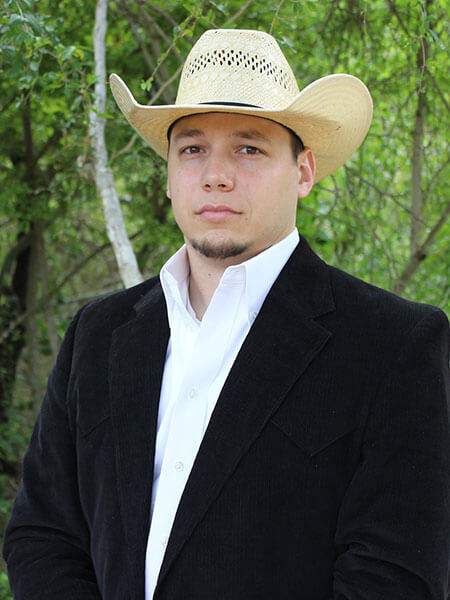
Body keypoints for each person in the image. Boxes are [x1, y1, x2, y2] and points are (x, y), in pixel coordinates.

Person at [3, 28, 449, 600]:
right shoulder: (99, 334)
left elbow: (395, 578)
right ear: (168, 174)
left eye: (249, 147)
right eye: (192, 148)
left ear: (305, 170)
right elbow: (42, 535)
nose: (215, 173)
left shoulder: (393, 345)